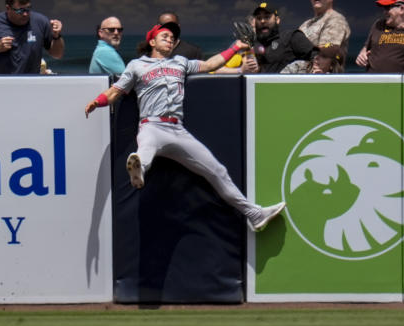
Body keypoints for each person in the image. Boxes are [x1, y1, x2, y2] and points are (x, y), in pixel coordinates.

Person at [85, 22, 286, 233]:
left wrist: (235, 47)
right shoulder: (136, 65)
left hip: (177, 130)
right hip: (151, 125)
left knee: (218, 171)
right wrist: (98, 102)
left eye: (172, 37)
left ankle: (254, 214)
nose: (170, 39)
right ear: (152, 41)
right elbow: (116, 91)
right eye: (165, 36)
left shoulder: (181, 62)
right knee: (143, 153)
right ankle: (139, 170)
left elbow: (210, 65)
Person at [241, 2, 318, 73]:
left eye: (267, 17)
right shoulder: (252, 46)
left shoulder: (291, 37)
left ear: (277, 20)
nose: (262, 21)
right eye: (259, 18)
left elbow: (317, 57)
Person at [297, 0, 351, 72]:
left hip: (326, 81)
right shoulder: (306, 24)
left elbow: (325, 52)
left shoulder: (336, 20)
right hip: (303, 79)